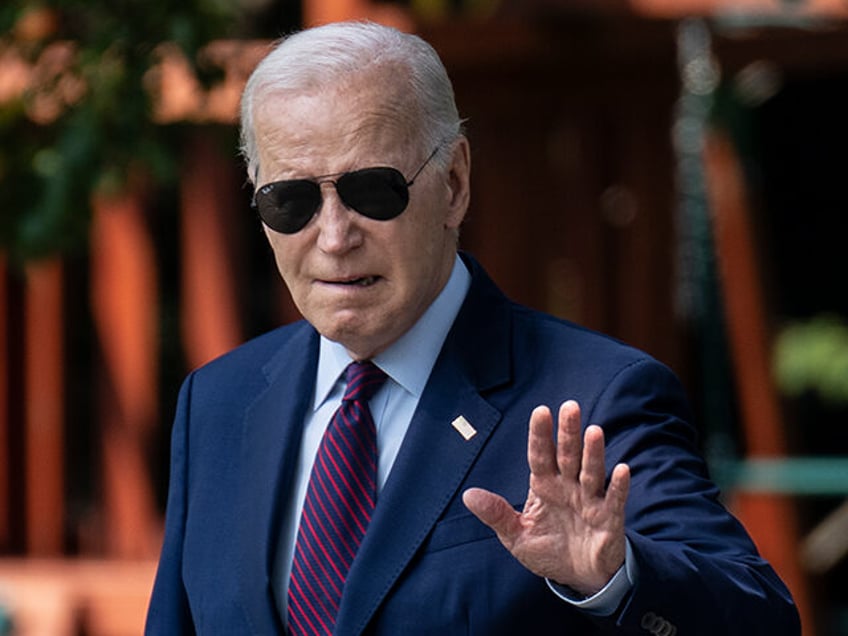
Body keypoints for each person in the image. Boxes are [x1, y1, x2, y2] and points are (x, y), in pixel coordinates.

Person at [146, 20, 800, 636]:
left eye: (374, 192)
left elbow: (759, 620)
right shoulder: (217, 402)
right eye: (291, 200)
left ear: (454, 182)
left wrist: (615, 577)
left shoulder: (594, 397)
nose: (335, 237)